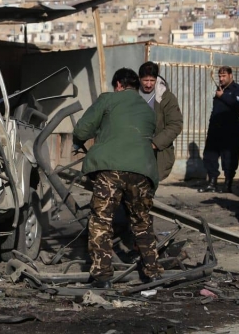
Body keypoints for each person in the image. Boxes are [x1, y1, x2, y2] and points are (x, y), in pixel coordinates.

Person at [73, 68, 163, 289]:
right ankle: (152, 273)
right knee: (142, 223)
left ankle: (103, 277)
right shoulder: (148, 109)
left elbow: (83, 129)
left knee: (101, 221)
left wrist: (78, 140)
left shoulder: (109, 99)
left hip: (110, 170)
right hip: (142, 171)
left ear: (119, 85)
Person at [198, 66, 239, 193]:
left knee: (229, 157)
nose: (221, 78)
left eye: (224, 76)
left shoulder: (238, 89)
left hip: (230, 129)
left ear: (231, 75)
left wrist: (223, 96)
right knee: (209, 155)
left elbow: (237, 105)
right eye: (219, 76)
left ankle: (227, 184)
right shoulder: (219, 90)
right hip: (215, 129)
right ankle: (212, 183)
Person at [138, 61, 183, 182]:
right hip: (133, 148)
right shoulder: (132, 94)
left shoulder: (166, 97)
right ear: (139, 79)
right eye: (145, 81)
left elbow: (175, 124)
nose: (148, 84)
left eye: (152, 81)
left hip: (155, 152)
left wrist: (156, 143)